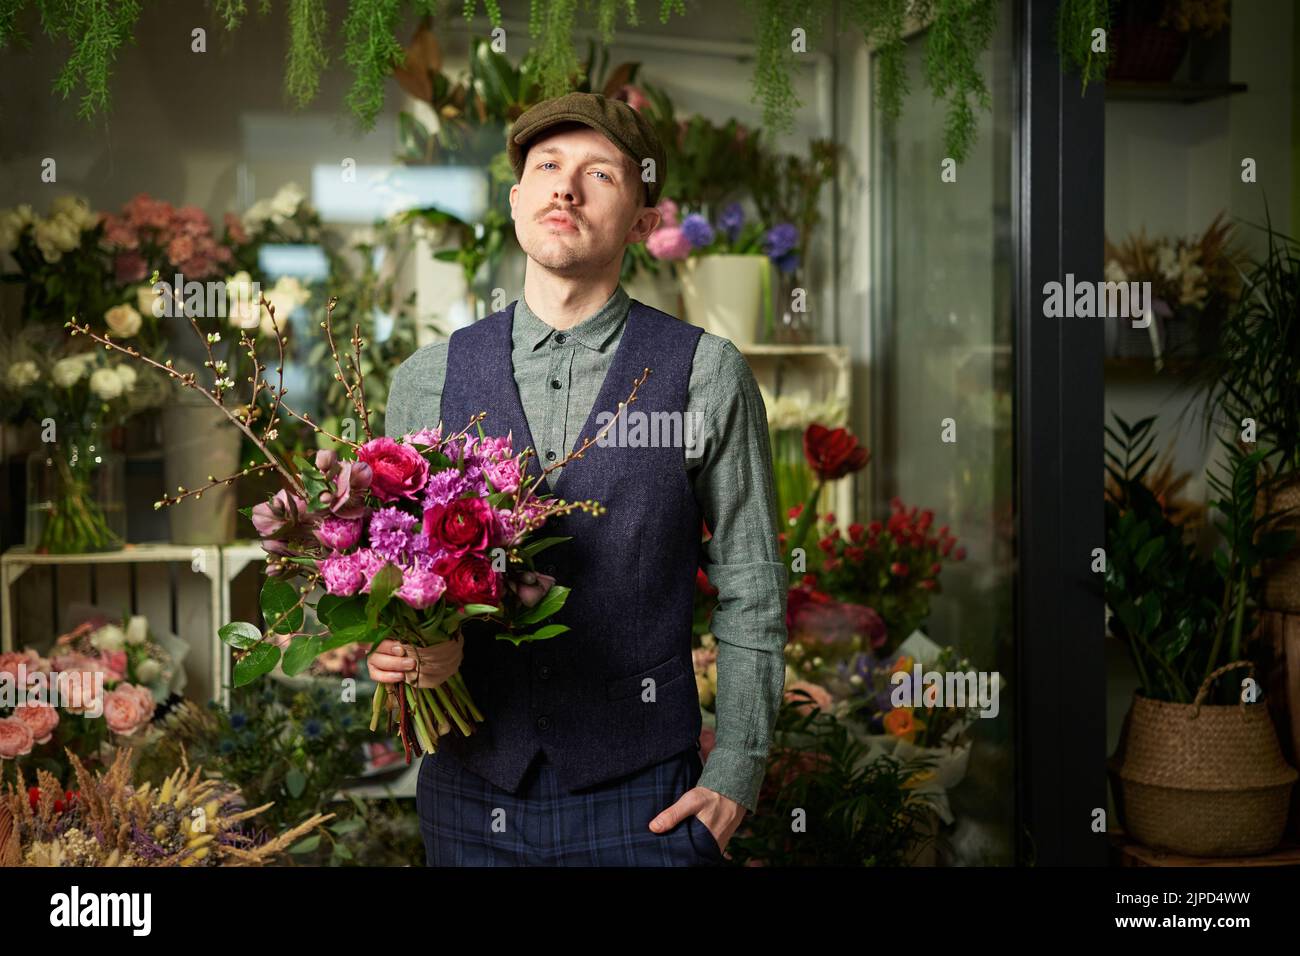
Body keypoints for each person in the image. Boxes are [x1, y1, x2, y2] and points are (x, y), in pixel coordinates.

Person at [379, 91, 788, 866]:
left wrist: (737, 772)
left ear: (642, 220)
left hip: (646, 801)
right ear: (517, 202)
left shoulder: (705, 375)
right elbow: (402, 584)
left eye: (600, 173)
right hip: (470, 793)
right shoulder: (426, 380)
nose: (566, 188)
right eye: (547, 167)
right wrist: (407, 649)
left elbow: (753, 585)